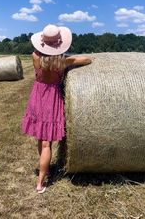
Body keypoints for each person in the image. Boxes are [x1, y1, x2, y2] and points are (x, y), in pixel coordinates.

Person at [21, 24, 92, 194]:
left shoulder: (35, 56)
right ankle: (40, 182)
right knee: (47, 143)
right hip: (52, 97)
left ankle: (43, 170)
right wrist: (68, 58)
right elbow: (87, 59)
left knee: (41, 138)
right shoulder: (63, 61)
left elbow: (42, 60)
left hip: (38, 95)